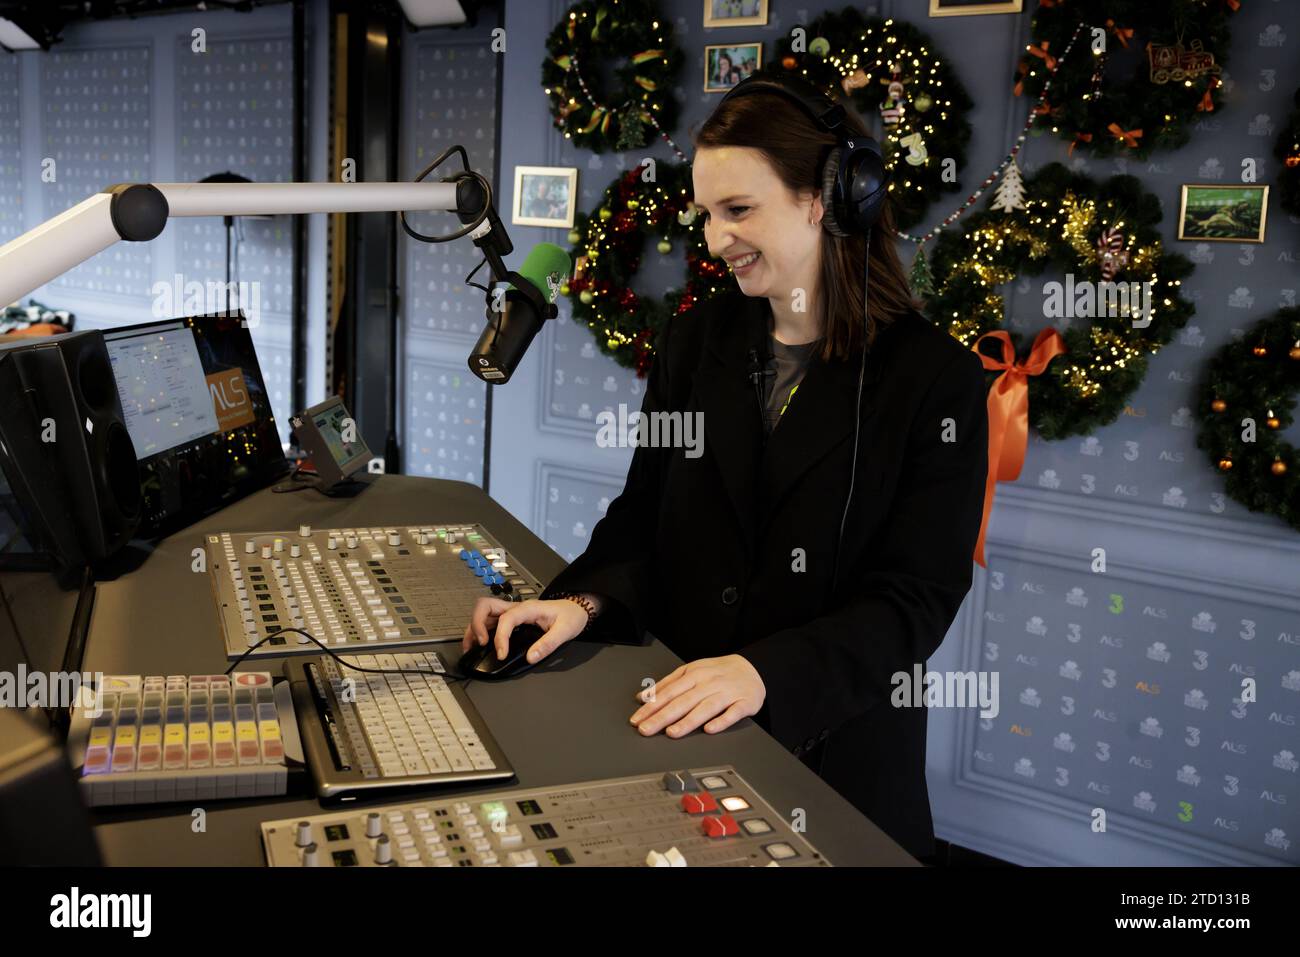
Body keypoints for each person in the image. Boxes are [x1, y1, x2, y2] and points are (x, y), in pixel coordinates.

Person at [461, 79, 989, 861]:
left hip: (836, 763)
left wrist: (763, 672)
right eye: (707, 213)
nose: (714, 239)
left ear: (828, 199)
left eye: (739, 210)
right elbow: (644, 515)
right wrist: (581, 600)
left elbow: (917, 599)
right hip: (670, 739)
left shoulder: (937, 379)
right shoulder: (695, 338)